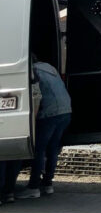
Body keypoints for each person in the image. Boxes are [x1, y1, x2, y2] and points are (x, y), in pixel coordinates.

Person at [18, 61, 72, 199]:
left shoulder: (31, 70)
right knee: (53, 148)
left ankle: (33, 187)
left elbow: (34, 94)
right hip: (66, 111)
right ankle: (47, 184)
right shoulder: (50, 67)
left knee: (39, 150)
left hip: (49, 113)